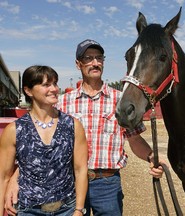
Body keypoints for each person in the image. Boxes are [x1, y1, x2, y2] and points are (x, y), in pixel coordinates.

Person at [5, 40, 164, 216]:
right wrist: (15, 177)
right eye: (88, 58)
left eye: (99, 58)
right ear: (78, 64)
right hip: (69, 183)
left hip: (107, 184)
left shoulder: (120, 101)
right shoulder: (62, 103)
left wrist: (151, 156)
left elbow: (134, 139)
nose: (95, 63)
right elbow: (40, 145)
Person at [0, 65, 88, 215]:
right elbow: (3, 177)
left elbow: (80, 170)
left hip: (66, 209)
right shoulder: (14, 130)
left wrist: (79, 209)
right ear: (28, 91)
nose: (54, 89)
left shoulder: (73, 125)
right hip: (29, 210)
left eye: (55, 83)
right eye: (46, 85)